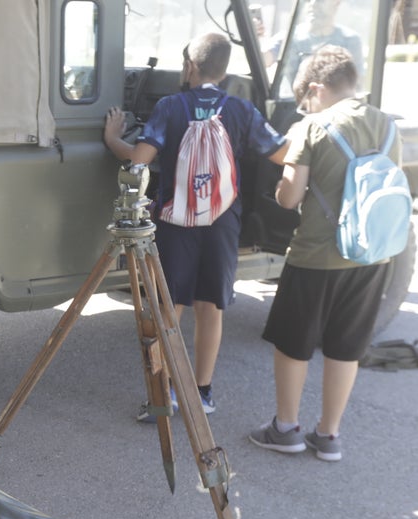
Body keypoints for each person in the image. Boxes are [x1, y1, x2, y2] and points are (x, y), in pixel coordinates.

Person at [103, 32, 287, 422]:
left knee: (171, 308)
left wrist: (112, 138)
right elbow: (280, 152)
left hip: (177, 224)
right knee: (211, 308)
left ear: (190, 66)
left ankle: (163, 395)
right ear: (224, 71)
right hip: (222, 224)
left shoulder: (171, 106)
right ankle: (202, 393)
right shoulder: (240, 109)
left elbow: (139, 159)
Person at [248, 45, 401, 462]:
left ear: (316, 89)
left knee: (293, 343)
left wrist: (282, 185)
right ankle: (329, 435)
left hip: (316, 256)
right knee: (345, 347)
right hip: (372, 256)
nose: (304, 108)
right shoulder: (388, 126)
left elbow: (289, 196)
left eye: (304, 100)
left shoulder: (313, 128)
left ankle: (286, 429)